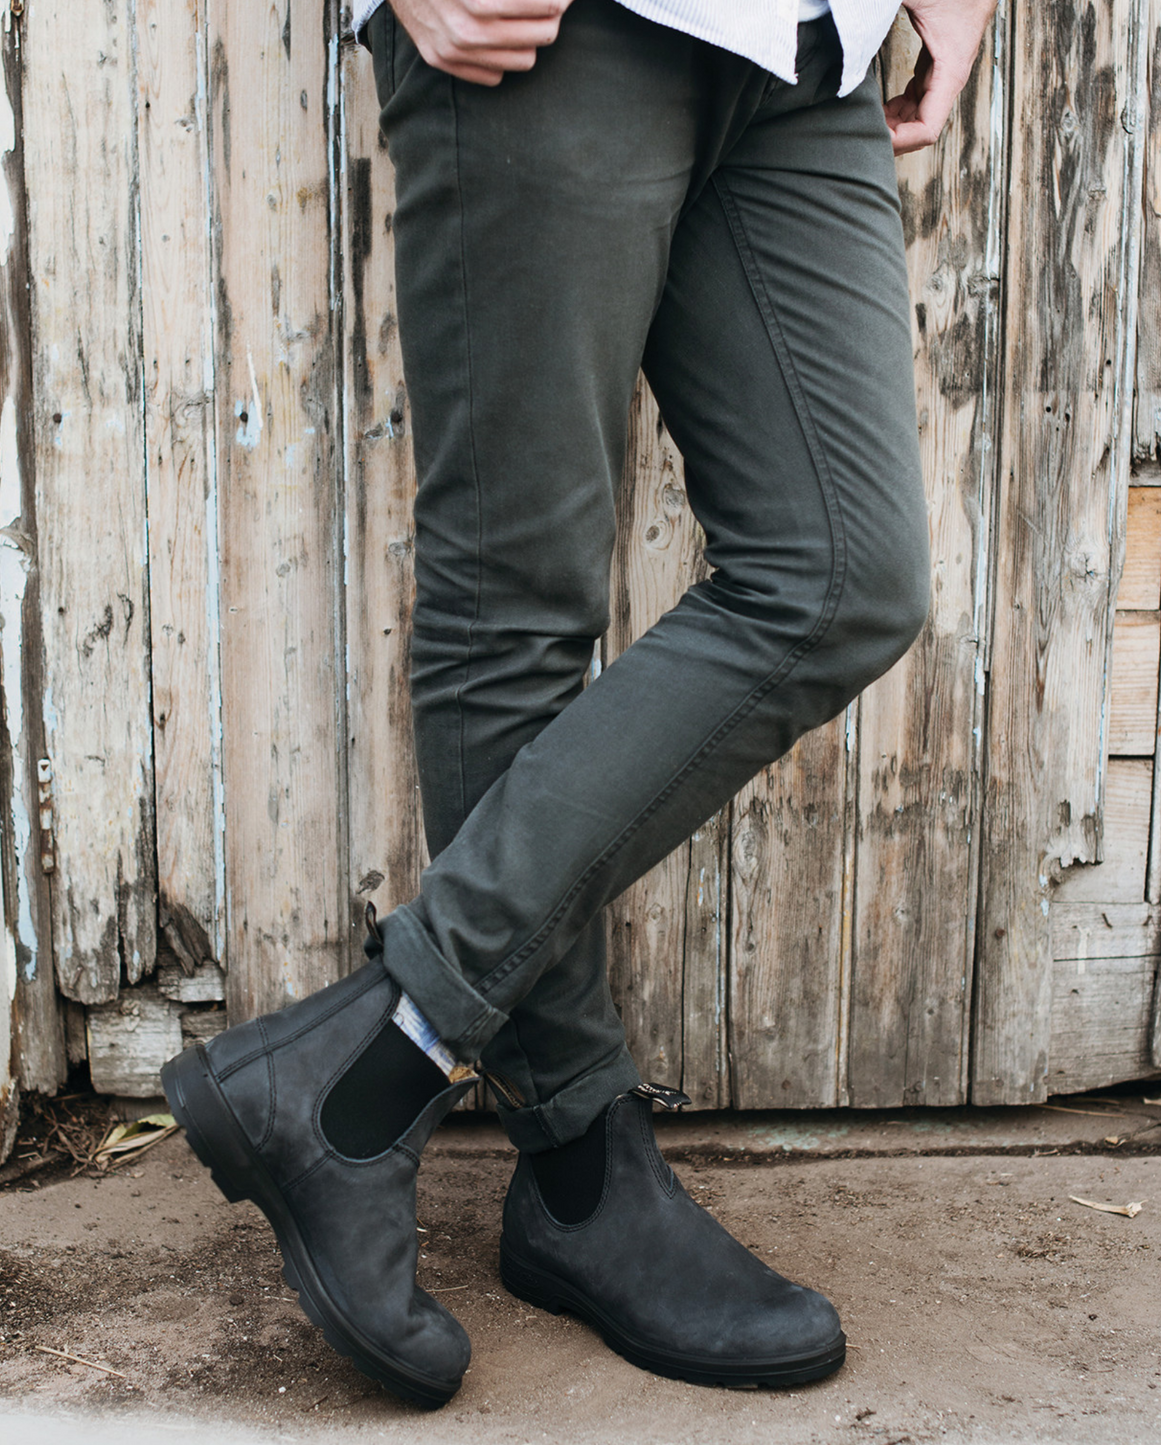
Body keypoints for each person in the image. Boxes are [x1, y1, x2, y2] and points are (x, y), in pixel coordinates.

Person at [162, 0, 997, 1410]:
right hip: (552, 33)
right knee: (516, 611)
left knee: (844, 572)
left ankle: (365, 1069)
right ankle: (581, 1176)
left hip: (808, 46)